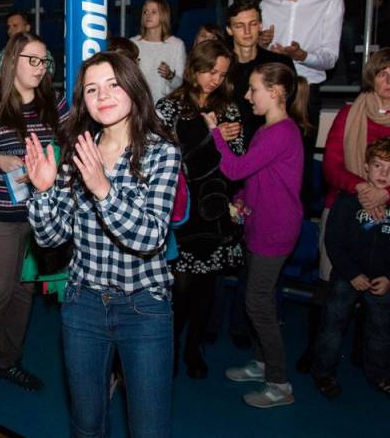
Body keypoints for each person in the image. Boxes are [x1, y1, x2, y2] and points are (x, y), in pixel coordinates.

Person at [26, 51, 180, 438]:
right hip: (84, 304)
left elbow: (151, 237)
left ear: (133, 88)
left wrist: (103, 189)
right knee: (86, 425)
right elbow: (51, 237)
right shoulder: (78, 152)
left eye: (113, 84)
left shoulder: (161, 151)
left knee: (149, 429)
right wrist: (43, 192)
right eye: (92, 89)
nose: (103, 95)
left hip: (144, 306)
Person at [203, 62, 310, 408]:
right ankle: (263, 362)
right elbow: (254, 176)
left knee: (258, 304)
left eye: (254, 89)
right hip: (259, 225)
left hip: (275, 231)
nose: (248, 96)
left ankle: (279, 384)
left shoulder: (281, 132)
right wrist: (241, 198)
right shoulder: (268, 129)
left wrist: (215, 133)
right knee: (258, 299)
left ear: (275, 92)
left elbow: (235, 168)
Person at [0, 32, 69, 393]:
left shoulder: (55, 103)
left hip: (41, 217)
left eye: (45, 61)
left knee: (25, 292)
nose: (41, 68)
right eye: (33, 60)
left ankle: (8, 361)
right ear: (13, 60)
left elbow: (71, 146)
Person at [295, 48, 390, 372]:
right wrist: (363, 188)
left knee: (378, 289)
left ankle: (367, 356)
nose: (388, 81)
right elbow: (332, 167)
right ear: (372, 76)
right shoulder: (350, 113)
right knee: (329, 285)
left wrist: (385, 194)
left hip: (387, 216)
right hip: (344, 210)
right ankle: (315, 352)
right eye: (383, 74)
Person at [156, 40, 244, 379]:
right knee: (179, 289)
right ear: (194, 69)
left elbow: (237, 162)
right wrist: (210, 136)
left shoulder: (228, 108)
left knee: (207, 288)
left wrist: (223, 140)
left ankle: (194, 348)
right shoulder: (169, 106)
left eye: (222, 74)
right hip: (181, 208)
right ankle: (170, 347)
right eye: (210, 71)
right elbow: (162, 158)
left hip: (214, 207)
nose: (215, 80)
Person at [259, 0, 344, 212]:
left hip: (306, 89)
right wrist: (261, 44)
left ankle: (299, 219)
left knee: (300, 162)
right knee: (266, 157)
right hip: (272, 90)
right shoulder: (267, 4)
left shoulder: (330, 0)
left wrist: (301, 55)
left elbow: (330, 57)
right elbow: (259, 53)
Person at [312, 137, 390, 399]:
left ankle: (379, 375)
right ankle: (324, 373)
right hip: (347, 276)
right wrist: (352, 273)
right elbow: (333, 241)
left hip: (382, 280)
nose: (383, 173)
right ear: (366, 167)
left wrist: (389, 277)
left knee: (381, 330)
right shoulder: (347, 201)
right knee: (333, 326)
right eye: (378, 166)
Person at [226, 0, 295, 147]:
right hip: (228, 145)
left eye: (253, 24)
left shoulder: (279, 63)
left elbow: (290, 109)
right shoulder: (220, 67)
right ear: (229, 30)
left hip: (270, 143)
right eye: (239, 26)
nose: (247, 31)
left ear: (261, 25)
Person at [132, 0, 186, 101]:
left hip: (164, 105)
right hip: (139, 103)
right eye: (145, 12)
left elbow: (181, 85)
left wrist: (170, 75)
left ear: (163, 15)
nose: (148, 15)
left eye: (153, 12)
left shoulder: (176, 45)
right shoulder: (133, 43)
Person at [0, 12, 55, 79]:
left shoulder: (41, 52)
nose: (10, 31)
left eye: (15, 26)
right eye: (8, 27)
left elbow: (46, 80)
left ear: (27, 28)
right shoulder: (4, 52)